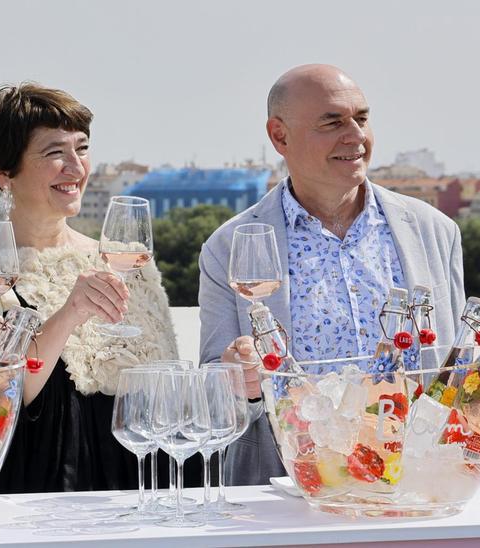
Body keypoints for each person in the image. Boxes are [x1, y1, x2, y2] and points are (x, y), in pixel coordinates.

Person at [198, 65, 465, 486]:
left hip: (416, 489)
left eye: (361, 118)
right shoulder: (228, 246)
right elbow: (216, 391)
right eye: (333, 122)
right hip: (286, 494)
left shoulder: (434, 231)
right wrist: (235, 377)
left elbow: (454, 371)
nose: (356, 136)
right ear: (279, 136)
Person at [0, 82, 180, 493]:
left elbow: (169, 389)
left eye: (81, 148)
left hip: (142, 494)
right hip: (42, 500)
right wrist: (69, 314)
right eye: (54, 153)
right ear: (3, 173)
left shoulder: (131, 262)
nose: (76, 167)